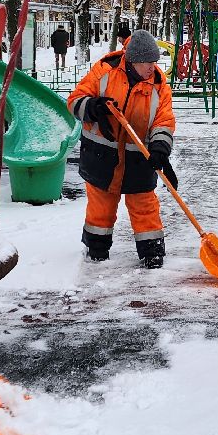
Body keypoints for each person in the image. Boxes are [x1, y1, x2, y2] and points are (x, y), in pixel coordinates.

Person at [67, 29, 176, 269]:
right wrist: (93, 107)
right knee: (101, 207)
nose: (152, 67)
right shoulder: (104, 72)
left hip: (139, 158)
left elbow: (164, 121)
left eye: (154, 62)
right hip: (101, 156)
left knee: (144, 206)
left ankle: (152, 252)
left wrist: (160, 148)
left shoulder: (158, 86)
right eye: (148, 63)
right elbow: (74, 101)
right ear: (133, 61)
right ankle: (96, 250)